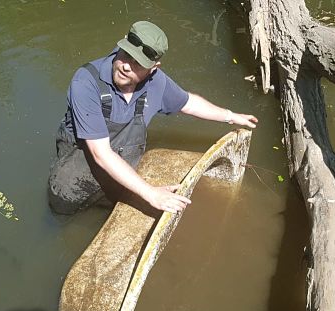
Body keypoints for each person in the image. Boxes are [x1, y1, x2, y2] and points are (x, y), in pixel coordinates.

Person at [48, 20, 258, 215]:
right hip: (73, 184)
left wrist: (230, 116)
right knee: (64, 224)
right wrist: (150, 193)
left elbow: (188, 103)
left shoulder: (156, 83)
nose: (126, 66)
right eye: (125, 55)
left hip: (122, 182)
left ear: (153, 68)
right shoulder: (87, 82)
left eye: (138, 64)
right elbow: (100, 153)